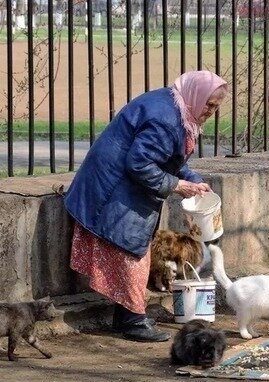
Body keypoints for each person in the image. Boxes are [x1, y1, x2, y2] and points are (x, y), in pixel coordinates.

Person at [64, 70, 229, 342]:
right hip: (112, 190)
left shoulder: (178, 108)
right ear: (196, 95)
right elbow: (140, 164)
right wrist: (177, 185)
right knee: (132, 253)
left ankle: (126, 315)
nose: (210, 111)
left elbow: (169, 158)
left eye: (215, 107)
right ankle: (133, 321)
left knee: (134, 251)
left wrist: (194, 181)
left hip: (117, 188)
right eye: (209, 104)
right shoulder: (166, 120)